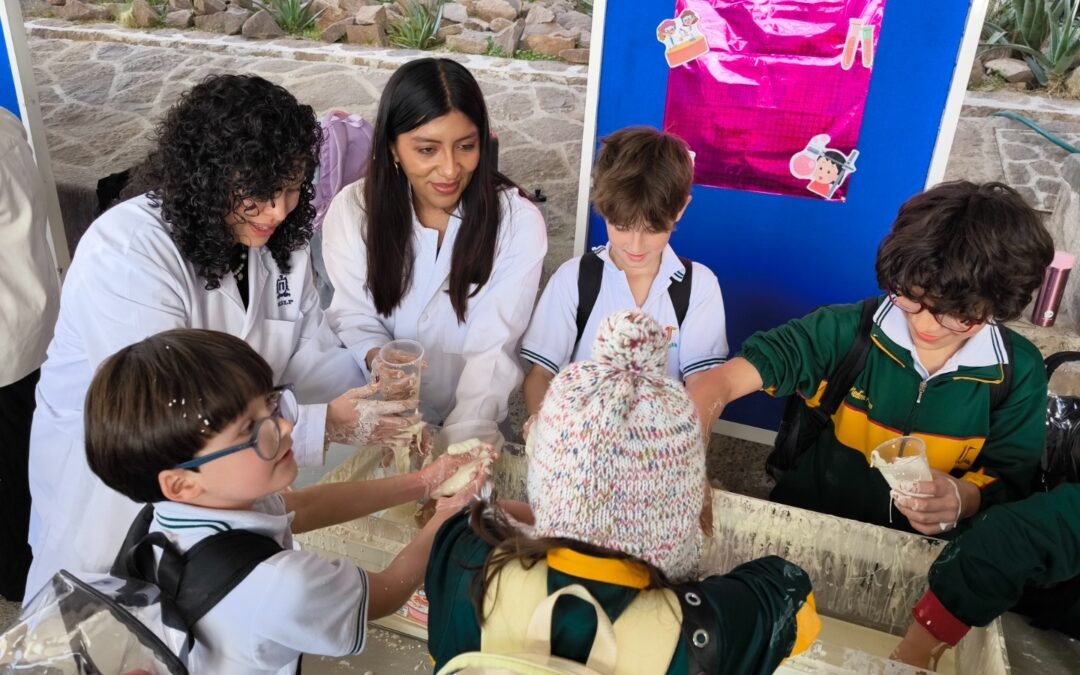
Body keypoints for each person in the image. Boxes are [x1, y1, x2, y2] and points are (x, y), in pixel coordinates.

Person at [25, 74, 403, 600]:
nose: (279, 209)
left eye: (293, 187)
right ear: (206, 178)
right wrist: (324, 422)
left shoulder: (277, 245)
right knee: (107, 625)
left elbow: (307, 351)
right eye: (258, 194)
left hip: (224, 483)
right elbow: (168, 404)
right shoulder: (129, 247)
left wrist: (377, 401)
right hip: (115, 492)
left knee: (206, 624)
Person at [426, 311, 819, 674]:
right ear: (679, 510)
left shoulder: (467, 561)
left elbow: (476, 519)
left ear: (548, 481)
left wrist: (549, 514)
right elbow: (793, 595)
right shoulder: (707, 629)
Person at [82, 329, 490, 674]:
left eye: (273, 405)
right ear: (181, 483)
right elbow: (384, 593)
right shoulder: (283, 585)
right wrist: (448, 518)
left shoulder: (170, 516)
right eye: (251, 429)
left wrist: (422, 481)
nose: (286, 426)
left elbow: (301, 507)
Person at [688, 181, 1055, 535]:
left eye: (959, 313)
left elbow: (1012, 476)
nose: (926, 324)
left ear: (999, 304)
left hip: (928, 552)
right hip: (811, 521)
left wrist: (965, 497)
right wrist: (687, 467)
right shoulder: (842, 332)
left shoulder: (1017, 371)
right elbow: (716, 383)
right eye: (912, 297)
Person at [322, 57, 547, 449]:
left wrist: (459, 447)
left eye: (466, 146)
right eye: (427, 150)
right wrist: (382, 361)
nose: (449, 169)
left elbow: (492, 351)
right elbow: (353, 314)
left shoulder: (517, 223)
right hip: (380, 415)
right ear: (392, 147)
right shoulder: (353, 210)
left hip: (475, 418)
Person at [520, 126, 728, 438]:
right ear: (601, 206)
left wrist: (681, 455)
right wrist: (547, 434)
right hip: (580, 444)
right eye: (621, 225)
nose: (635, 244)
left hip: (660, 449)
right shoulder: (574, 279)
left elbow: (703, 386)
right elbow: (540, 375)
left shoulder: (699, 286)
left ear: (681, 208)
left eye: (653, 228)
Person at [892, 484, 1080, 670]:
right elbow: (1033, 478)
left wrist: (918, 647)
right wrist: (976, 496)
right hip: (1034, 590)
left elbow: (1014, 538)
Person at [0, 109, 61, 601]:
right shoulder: (3, 121)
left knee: (13, 475)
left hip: (8, 341)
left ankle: (19, 579)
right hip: (27, 329)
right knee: (23, 465)